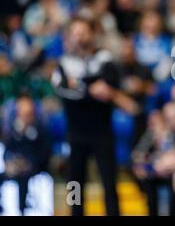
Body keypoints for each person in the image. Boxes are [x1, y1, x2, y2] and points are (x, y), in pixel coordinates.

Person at [51, 17, 137, 216]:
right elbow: (64, 91)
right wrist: (91, 88)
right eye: (75, 33)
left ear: (92, 34)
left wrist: (79, 85)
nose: (79, 37)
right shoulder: (64, 63)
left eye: (83, 32)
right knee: (75, 184)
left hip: (102, 132)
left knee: (109, 183)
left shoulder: (104, 59)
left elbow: (109, 88)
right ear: (69, 37)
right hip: (75, 133)